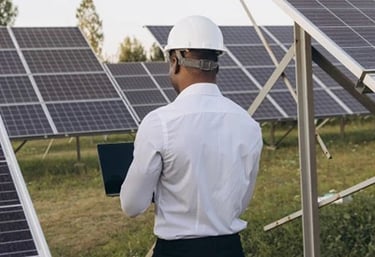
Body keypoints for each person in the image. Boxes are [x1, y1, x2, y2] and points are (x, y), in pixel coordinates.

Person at [120, 15, 263, 257]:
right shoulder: (247, 124)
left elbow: (132, 205)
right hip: (229, 250)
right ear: (217, 63)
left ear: (175, 61)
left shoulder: (159, 123)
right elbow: (241, 199)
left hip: (177, 251)